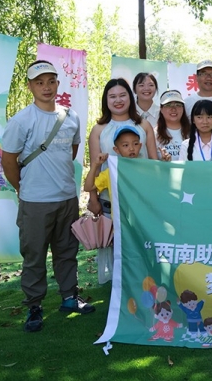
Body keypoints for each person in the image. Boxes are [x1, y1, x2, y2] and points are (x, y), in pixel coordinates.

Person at [1, 60, 94, 333]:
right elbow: (8, 161)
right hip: (35, 201)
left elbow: (72, 151)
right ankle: (34, 305)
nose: (46, 87)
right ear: (30, 86)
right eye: (39, 82)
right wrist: (22, 188)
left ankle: (69, 297)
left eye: (51, 81)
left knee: (67, 251)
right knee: (34, 255)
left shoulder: (71, 116)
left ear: (58, 84)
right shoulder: (21, 120)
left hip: (67, 197)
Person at [87, 78, 159, 284]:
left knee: (141, 243)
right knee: (116, 245)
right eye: (112, 96)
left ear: (130, 97)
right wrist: (93, 199)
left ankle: (144, 284)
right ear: (106, 100)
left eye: (122, 95)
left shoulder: (143, 125)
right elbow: (95, 166)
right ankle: (119, 290)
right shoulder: (99, 129)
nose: (118, 100)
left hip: (141, 199)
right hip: (110, 199)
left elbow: (153, 162)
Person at [84, 126, 143, 204]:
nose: (131, 148)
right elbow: (88, 187)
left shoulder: (146, 170)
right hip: (119, 212)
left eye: (135, 144)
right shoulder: (112, 172)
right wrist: (95, 165)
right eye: (125, 145)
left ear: (140, 146)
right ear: (116, 149)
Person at [156, 89, 190, 161]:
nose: (173, 109)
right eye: (168, 105)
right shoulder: (154, 134)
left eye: (178, 105)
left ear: (183, 108)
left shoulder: (193, 131)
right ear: (161, 109)